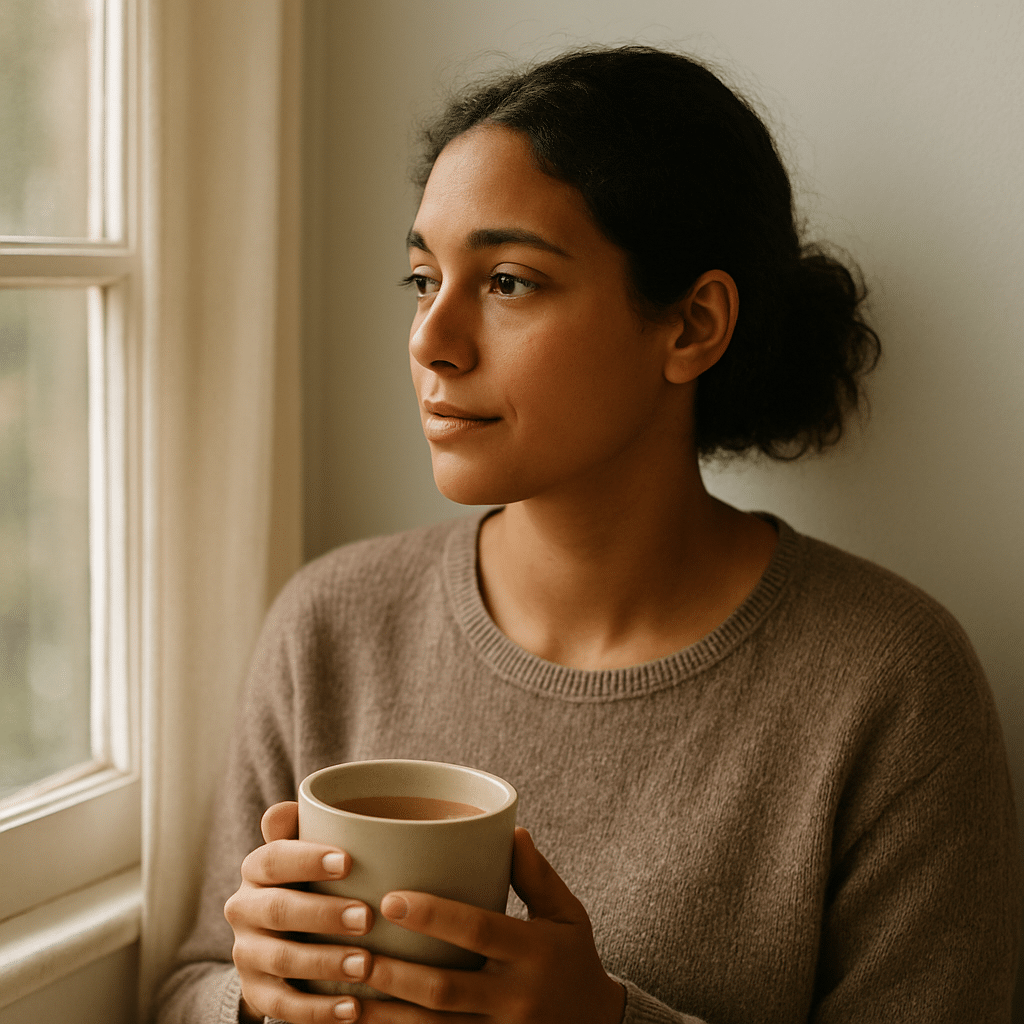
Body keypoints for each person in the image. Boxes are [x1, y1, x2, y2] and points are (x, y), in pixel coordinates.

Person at [154, 46, 1020, 1024]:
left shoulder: (890, 685)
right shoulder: (332, 626)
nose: (432, 339)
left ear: (691, 325)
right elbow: (190, 983)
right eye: (422, 278)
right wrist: (252, 996)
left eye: (510, 281)